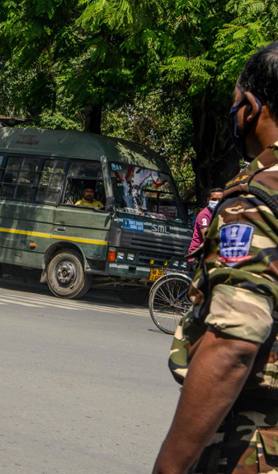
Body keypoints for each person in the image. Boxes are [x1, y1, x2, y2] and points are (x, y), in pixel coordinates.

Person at [153, 41, 278, 474]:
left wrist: (169, 468)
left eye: (235, 105)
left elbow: (232, 346)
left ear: (251, 107)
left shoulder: (256, 200)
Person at [187, 188, 223, 256]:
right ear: (208, 200)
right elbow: (206, 236)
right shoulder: (204, 215)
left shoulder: (221, 214)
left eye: (220, 200)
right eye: (214, 199)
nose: (217, 202)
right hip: (197, 254)